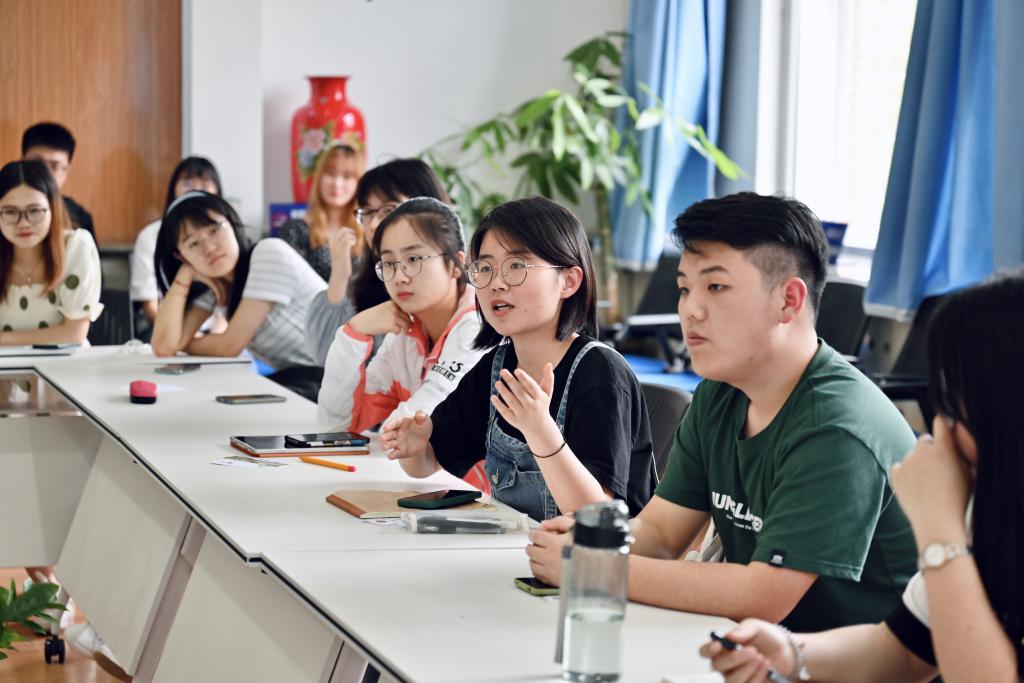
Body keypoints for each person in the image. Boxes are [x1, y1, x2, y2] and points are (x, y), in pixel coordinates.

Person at [527, 192, 918, 632]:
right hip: (761, 647)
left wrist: (597, 569)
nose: (690, 310)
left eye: (716, 287)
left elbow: (764, 596)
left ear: (789, 300)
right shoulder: (721, 392)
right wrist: (592, 541)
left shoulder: (838, 426)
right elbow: (661, 535)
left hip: (853, 660)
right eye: (684, 289)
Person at [700, 271, 1024, 683]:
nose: (943, 423)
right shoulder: (991, 503)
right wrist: (791, 652)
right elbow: (900, 652)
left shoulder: (952, 507)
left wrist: (940, 532)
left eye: (955, 397)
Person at [381, 197, 658, 522]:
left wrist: (541, 431)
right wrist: (415, 446)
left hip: (592, 554)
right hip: (518, 549)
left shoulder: (600, 373)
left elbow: (596, 516)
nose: (496, 283)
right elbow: (427, 464)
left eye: (517, 266)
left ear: (569, 281)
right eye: (485, 268)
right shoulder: (496, 368)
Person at [317, 197, 485, 434]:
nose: (399, 277)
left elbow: (407, 432)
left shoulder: (478, 328)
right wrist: (352, 333)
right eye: (388, 263)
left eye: (413, 259)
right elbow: (336, 426)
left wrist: (396, 434)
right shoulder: (404, 333)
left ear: (456, 264)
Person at [151, 192, 326, 400]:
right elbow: (164, 347)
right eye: (193, 244)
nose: (209, 248)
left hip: (342, 376)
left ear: (232, 223)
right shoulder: (217, 285)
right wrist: (185, 274)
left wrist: (184, 343)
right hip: (305, 378)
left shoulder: (268, 253)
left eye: (214, 230)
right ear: (181, 256)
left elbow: (229, 346)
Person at [304, 157, 452, 366]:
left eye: (388, 210)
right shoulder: (366, 280)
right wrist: (340, 274)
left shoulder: (456, 295)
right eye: (367, 212)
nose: (373, 224)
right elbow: (325, 357)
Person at [0, 160, 102, 346]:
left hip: (65, 361)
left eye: (34, 210)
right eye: (10, 212)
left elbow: (74, 333)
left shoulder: (75, 247)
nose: (24, 223)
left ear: (53, 209)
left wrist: (3, 339)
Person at [131, 156, 222, 328]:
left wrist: (217, 335)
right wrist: (180, 337)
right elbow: (150, 304)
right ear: (174, 189)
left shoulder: (224, 233)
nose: (196, 190)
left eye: (205, 185)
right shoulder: (151, 236)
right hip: (164, 327)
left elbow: (230, 300)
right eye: (188, 183)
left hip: (215, 330)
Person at [279, 142, 364, 281]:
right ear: (319, 178)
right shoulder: (296, 230)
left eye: (347, 176)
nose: (337, 183)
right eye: (331, 174)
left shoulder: (367, 232)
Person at [22, 122, 95, 243]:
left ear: (66, 172)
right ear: (21, 164)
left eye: (54, 166)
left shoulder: (80, 218)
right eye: (37, 163)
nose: (44, 173)